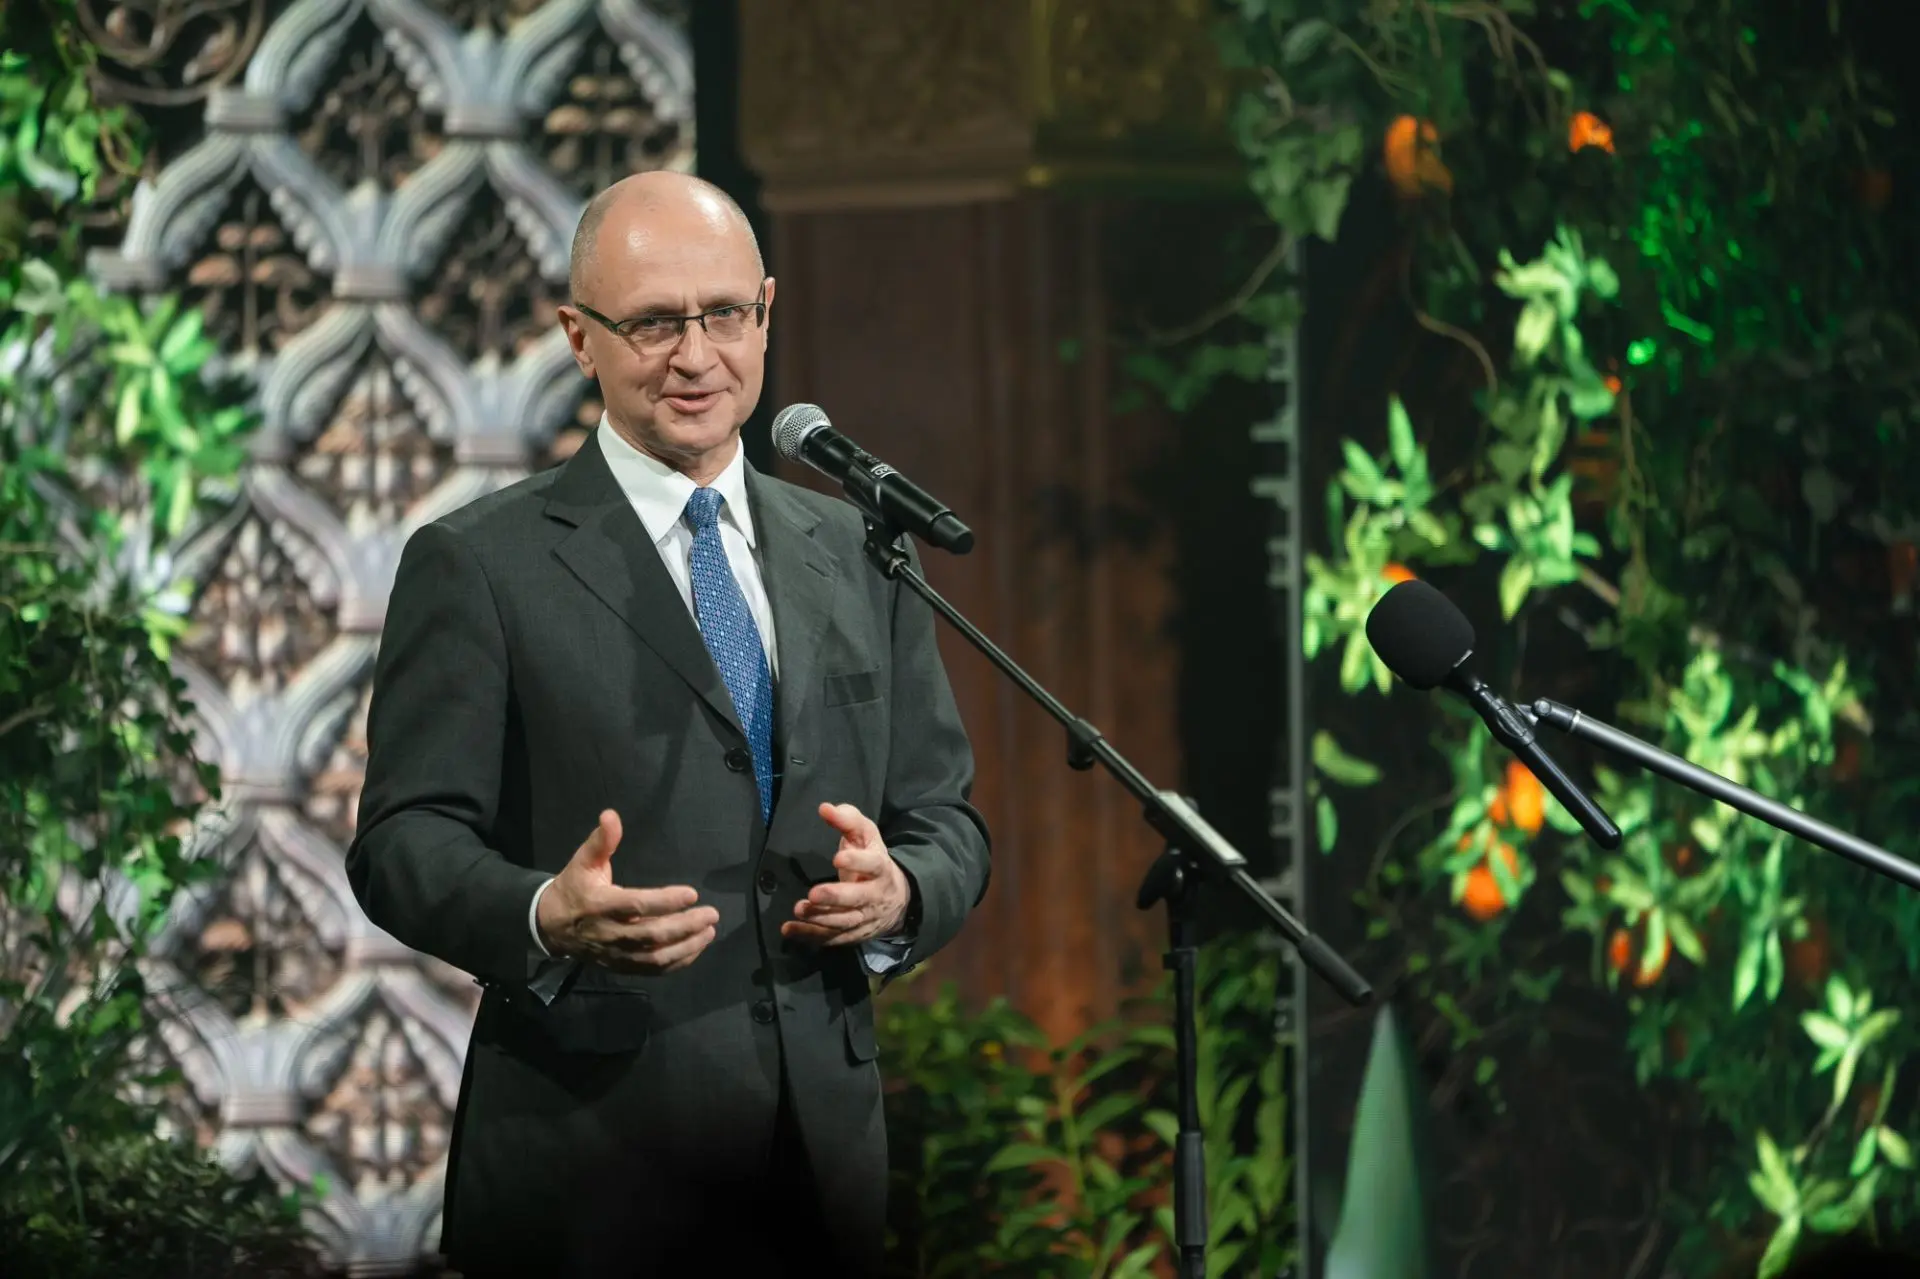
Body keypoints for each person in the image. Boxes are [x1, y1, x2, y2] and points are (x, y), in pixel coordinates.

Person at [346, 170, 991, 1277]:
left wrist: (902, 894)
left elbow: (947, 820)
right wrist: (545, 912)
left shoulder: (859, 552)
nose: (696, 355)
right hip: (586, 1169)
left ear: (766, 313)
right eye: (653, 323)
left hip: (817, 1163)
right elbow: (402, 840)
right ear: (579, 338)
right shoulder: (480, 564)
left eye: (724, 313)